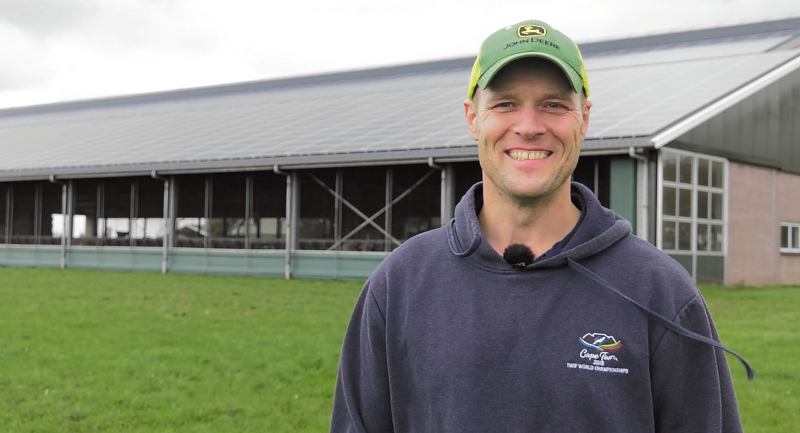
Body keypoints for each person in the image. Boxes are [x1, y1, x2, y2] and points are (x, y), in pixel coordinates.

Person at [331, 19, 751, 432]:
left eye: (553, 104)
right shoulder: (399, 284)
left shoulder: (661, 292)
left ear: (584, 118)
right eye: (505, 104)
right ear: (472, 118)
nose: (529, 127)